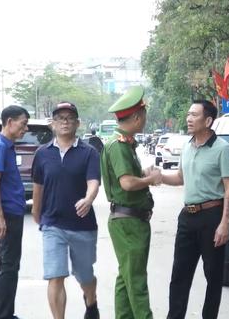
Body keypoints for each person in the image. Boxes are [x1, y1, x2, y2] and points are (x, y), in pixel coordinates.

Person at [161, 100, 229, 319]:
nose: (189, 119)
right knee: (179, 275)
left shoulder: (222, 149)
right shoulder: (187, 146)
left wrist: (224, 223)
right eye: (188, 115)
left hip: (212, 217)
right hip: (187, 217)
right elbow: (180, 178)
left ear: (208, 120)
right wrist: (158, 177)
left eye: (194, 115)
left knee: (213, 275)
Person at [31, 102, 101, 319]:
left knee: (85, 275)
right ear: (52, 124)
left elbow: (93, 182)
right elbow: (38, 186)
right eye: (60, 118)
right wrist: (37, 212)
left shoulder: (88, 152)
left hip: (83, 224)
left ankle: (91, 300)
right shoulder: (42, 153)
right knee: (55, 275)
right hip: (53, 223)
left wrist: (88, 199)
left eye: (70, 118)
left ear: (78, 123)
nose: (65, 121)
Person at [100, 85, 162, 319]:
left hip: (129, 221)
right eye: (144, 114)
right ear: (136, 117)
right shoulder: (119, 146)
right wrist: (150, 179)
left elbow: (126, 179)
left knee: (125, 279)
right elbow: (126, 183)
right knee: (135, 280)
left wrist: (143, 174)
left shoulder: (124, 143)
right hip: (129, 223)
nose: (145, 118)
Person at [0, 105, 29, 319]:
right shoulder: (0, 146)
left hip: (13, 212)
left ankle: (4, 313)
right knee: (8, 265)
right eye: (22, 124)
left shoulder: (8, 146)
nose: (25, 129)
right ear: (10, 122)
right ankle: (3, 316)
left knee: (7, 264)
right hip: (8, 214)